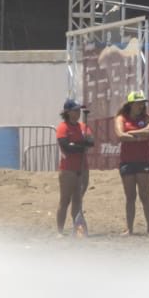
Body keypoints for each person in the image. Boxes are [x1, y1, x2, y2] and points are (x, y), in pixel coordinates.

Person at [114, 91, 149, 235]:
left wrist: (131, 134)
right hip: (127, 162)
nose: (141, 106)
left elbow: (148, 132)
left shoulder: (148, 117)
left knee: (145, 196)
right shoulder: (121, 118)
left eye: (143, 103)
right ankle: (129, 229)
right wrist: (139, 136)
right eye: (138, 103)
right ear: (131, 104)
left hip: (144, 161)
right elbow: (120, 135)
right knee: (130, 197)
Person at [55, 98, 94, 237]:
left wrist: (79, 144)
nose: (78, 113)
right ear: (68, 112)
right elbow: (66, 146)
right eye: (75, 110)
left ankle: (77, 230)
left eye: (79, 110)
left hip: (82, 168)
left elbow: (91, 142)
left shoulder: (83, 126)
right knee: (65, 200)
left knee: (78, 199)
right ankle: (60, 231)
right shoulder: (63, 127)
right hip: (68, 169)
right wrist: (80, 146)